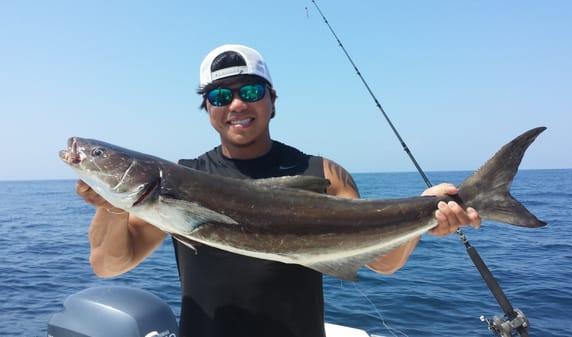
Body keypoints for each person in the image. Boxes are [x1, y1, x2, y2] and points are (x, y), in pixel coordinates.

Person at [76, 44, 481, 337]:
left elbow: (382, 263)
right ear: (208, 110)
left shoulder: (324, 173)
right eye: (220, 96)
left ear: (272, 101)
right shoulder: (179, 179)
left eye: (250, 91)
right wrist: (108, 204)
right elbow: (110, 265)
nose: (236, 103)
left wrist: (428, 217)